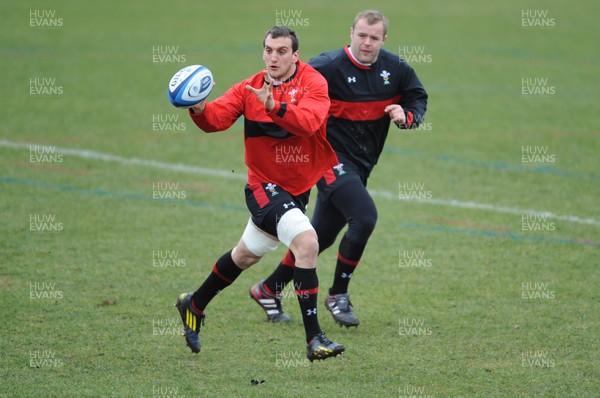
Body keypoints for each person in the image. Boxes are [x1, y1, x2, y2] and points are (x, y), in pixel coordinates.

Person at [175, 26, 345, 361]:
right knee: (307, 244)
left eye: (282, 51)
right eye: (268, 50)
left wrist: (274, 106)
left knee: (245, 256)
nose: (273, 57)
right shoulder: (247, 88)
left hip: (296, 191)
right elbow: (216, 118)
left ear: (295, 55)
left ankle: (193, 303)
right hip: (263, 188)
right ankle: (315, 340)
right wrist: (196, 106)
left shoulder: (313, 83)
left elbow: (309, 122)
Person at [250, 10, 428, 327]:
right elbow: (290, 80)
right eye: (361, 35)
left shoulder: (396, 69)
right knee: (364, 217)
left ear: (383, 40)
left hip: (361, 164)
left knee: (319, 237)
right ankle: (338, 295)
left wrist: (406, 115)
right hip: (328, 160)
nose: (367, 43)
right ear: (351, 33)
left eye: (374, 38)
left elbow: (417, 97)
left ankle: (269, 289)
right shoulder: (328, 66)